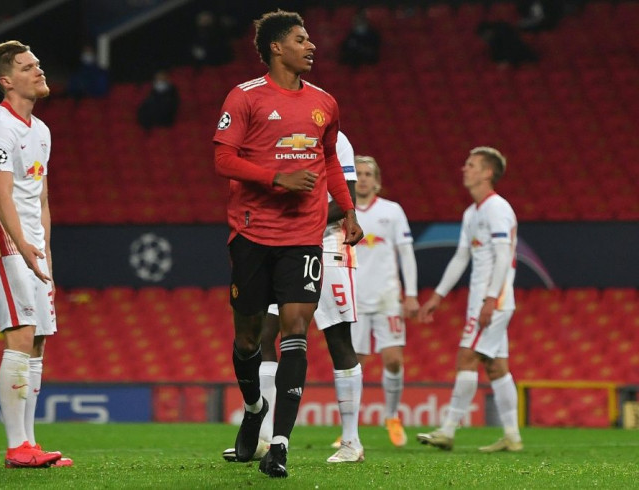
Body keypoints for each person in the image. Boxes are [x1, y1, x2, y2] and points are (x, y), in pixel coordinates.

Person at [213, 10, 364, 478]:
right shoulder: (245, 98)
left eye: (310, 39)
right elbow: (223, 157)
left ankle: (279, 444)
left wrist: (349, 210)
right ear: (277, 47)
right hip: (253, 233)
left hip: (304, 235)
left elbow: (329, 161)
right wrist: (276, 177)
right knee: (248, 339)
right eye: (301, 40)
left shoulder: (325, 103)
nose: (311, 46)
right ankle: (255, 406)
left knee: (297, 330)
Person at [222, 131, 365, 465]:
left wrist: (301, 222)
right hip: (280, 249)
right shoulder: (272, 138)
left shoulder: (336, 139)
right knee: (266, 335)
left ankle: (352, 442)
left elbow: (346, 199)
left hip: (327, 248)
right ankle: (266, 437)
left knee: (337, 340)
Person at [0, 40, 72, 468]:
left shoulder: (41, 130)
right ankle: (16, 447)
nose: (39, 71)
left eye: (39, 64)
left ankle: (30, 443)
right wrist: (23, 248)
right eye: (28, 67)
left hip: (32, 247)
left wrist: (45, 249)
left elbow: (42, 197)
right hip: (5, 244)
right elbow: (1, 196)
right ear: (6, 80)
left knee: (38, 342)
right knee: (19, 335)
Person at [416, 146, 522, 453]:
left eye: (471, 164)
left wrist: (490, 298)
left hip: (494, 299)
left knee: (466, 357)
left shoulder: (497, 208)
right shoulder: (472, 212)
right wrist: (438, 295)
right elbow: (462, 256)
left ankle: (448, 429)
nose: (464, 168)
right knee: (496, 368)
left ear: (487, 172)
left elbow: (504, 256)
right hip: (487, 299)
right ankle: (512, 436)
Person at [335, 154, 419, 449]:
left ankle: (393, 417)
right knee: (354, 362)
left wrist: (411, 294)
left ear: (378, 180)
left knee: (394, 359)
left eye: (369, 173)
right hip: (355, 297)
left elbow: (406, 253)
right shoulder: (342, 211)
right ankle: (349, 428)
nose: (365, 177)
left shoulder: (392, 211)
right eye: (359, 173)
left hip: (386, 297)